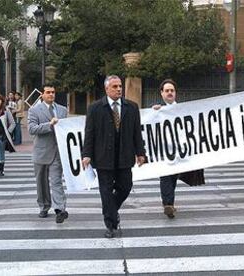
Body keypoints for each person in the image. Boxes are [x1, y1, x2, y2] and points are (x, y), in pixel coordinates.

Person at [82, 75, 146, 238]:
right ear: (107, 89)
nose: (119, 89)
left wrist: (141, 153)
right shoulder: (95, 108)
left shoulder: (131, 107)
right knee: (106, 191)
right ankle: (110, 224)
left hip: (124, 155)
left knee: (125, 187)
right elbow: (89, 133)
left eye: (120, 86)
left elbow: (136, 133)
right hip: (103, 157)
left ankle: (112, 209)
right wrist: (87, 154)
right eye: (115, 87)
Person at [152, 79, 205, 218]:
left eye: (172, 91)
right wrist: (153, 113)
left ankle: (169, 203)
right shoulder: (156, 111)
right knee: (165, 175)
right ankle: (168, 204)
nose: (170, 93)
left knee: (173, 177)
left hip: (179, 151)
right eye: (167, 91)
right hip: (163, 152)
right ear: (162, 93)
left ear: (175, 93)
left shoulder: (183, 110)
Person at [28, 84, 68, 224]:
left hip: (57, 152)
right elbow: (32, 129)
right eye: (48, 92)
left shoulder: (63, 110)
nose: (51, 94)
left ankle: (60, 209)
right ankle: (44, 206)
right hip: (41, 152)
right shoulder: (34, 110)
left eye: (53, 92)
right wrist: (49, 125)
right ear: (42, 95)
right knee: (41, 183)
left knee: (56, 181)